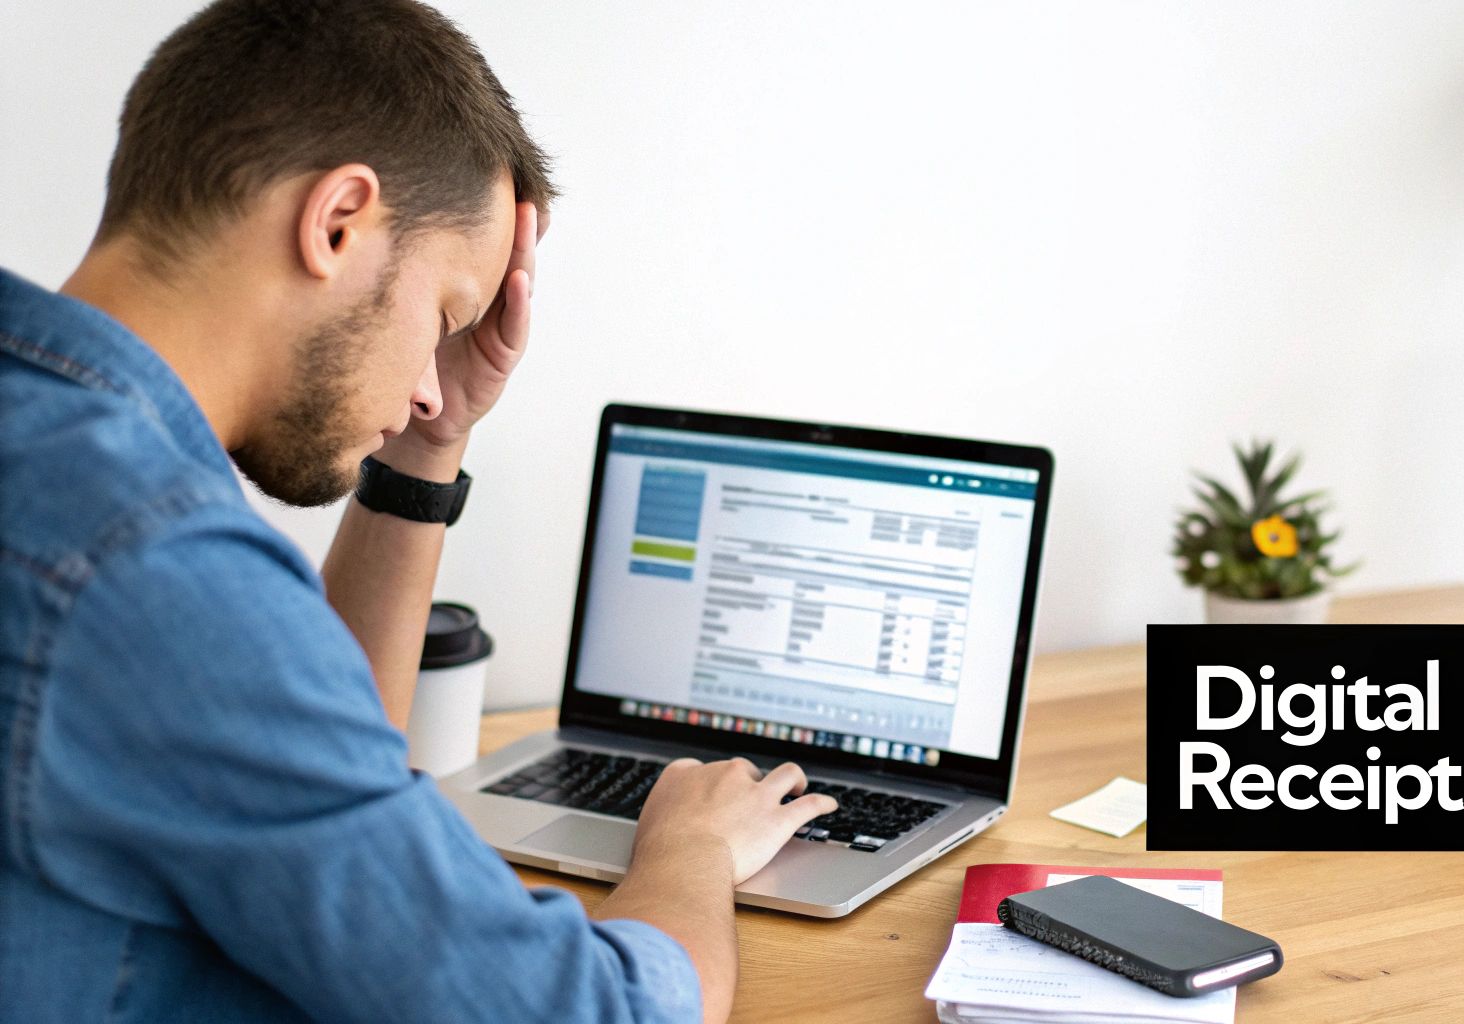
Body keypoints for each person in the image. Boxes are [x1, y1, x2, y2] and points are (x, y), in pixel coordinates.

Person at [0, 1, 837, 1020]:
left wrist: (421, 452)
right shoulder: (150, 571)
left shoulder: (48, 456)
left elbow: (318, 764)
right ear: (337, 220)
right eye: (444, 312)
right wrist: (688, 852)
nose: (434, 386)